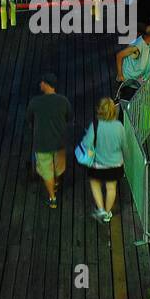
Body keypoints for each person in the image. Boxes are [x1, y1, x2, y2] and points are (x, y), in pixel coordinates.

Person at [26, 74, 72, 210]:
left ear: (46, 84)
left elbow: (29, 120)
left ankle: (52, 198)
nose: (40, 85)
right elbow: (69, 117)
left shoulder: (35, 102)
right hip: (60, 143)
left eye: (42, 82)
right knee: (58, 168)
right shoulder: (63, 101)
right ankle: (56, 183)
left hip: (42, 144)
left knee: (46, 171)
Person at [79, 98, 125, 222]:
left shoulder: (95, 126)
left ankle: (101, 209)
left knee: (95, 184)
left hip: (98, 165)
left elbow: (86, 143)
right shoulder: (119, 126)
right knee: (111, 188)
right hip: (115, 165)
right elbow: (123, 144)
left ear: (99, 111)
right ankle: (108, 213)